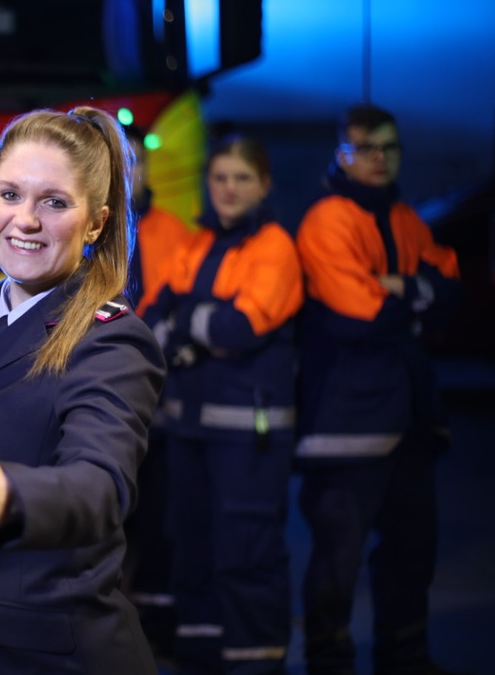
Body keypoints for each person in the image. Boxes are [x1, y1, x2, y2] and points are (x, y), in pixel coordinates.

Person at [0, 106, 165, 674]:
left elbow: (100, 486)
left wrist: (9, 495)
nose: (24, 220)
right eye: (9, 194)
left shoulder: (112, 340)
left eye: (53, 203)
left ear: (96, 224)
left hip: (48, 658)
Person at [295, 104, 461, 675]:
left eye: (389, 147)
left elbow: (453, 287)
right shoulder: (327, 219)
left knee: (412, 554)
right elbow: (357, 316)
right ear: (341, 153)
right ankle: (329, 663)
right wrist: (418, 295)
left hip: (411, 419)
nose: (379, 159)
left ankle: (406, 659)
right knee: (338, 561)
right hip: (346, 424)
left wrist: (401, 289)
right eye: (366, 148)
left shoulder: (407, 217)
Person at [141, 134, 303, 675]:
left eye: (242, 178)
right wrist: (192, 323)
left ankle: (255, 661)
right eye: (220, 178)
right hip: (191, 427)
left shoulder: (275, 245)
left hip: (247, 432)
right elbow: (158, 313)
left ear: (264, 185)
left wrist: (189, 323)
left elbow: (240, 327)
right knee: (193, 548)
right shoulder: (201, 241)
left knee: (247, 551)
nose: (229, 189)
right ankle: (202, 656)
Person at [122, 123, 196, 658]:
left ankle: (158, 623)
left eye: (137, 162)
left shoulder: (176, 231)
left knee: (162, 513)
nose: (131, 173)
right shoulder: (88, 230)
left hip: (165, 399)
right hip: (105, 394)